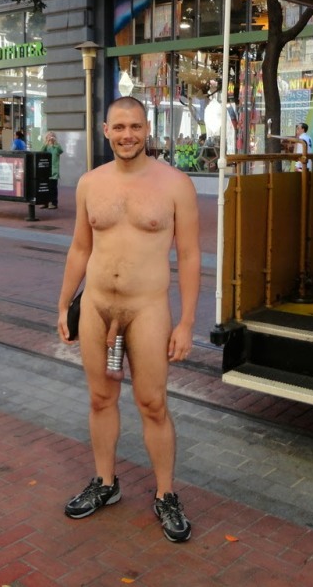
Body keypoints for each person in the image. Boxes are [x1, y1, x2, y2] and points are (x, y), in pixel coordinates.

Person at [56, 96, 200, 544]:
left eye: (135, 127)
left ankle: (165, 494)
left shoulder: (175, 184)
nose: (127, 135)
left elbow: (189, 256)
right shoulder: (90, 183)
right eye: (118, 127)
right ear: (106, 131)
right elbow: (80, 248)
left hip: (147, 309)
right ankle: (105, 483)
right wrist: (63, 304)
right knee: (101, 399)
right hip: (96, 306)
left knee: (152, 404)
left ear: (147, 129)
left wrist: (186, 322)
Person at [40, 131, 63, 209]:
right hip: (46, 170)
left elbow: (61, 151)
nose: (51, 137)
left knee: (53, 188)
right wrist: (46, 143)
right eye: (49, 136)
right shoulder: (46, 146)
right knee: (45, 187)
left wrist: (55, 143)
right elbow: (41, 152)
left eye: (52, 136)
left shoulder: (57, 146)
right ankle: (45, 202)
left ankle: (53, 203)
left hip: (54, 171)